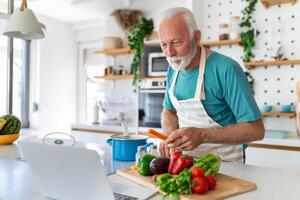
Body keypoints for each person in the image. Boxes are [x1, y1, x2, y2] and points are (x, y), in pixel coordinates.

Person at [158, 7, 265, 162]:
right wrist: (171, 137)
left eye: (176, 42)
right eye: (163, 45)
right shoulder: (174, 69)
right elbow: (169, 111)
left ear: (196, 37)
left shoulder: (226, 69)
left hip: (228, 169)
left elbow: (256, 130)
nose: (169, 53)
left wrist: (202, 135)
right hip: (186, 167)